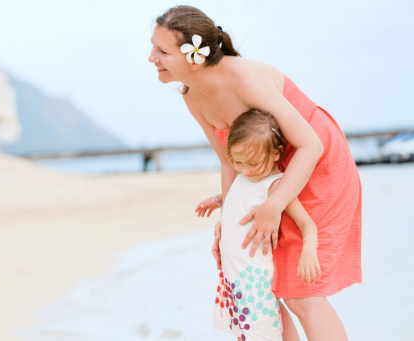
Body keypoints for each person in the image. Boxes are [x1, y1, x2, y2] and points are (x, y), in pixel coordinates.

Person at [149, 5, 361, 341]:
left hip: (316, 167)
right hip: (263, 175)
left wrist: (274, 205)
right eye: (153, 48)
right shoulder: (192, 96)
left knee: (301, 293)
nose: (151, 58)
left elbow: (311, 146)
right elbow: (229, 161)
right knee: (264, 286)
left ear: (194, 56)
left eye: (162, 51)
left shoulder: (246, 80)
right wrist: (229, 220)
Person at [207, 109, 321, 341]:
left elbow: (306, 223)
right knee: (245, 334)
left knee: (261, 334)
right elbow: (243, 196)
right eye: (238, 162)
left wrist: (309, 251)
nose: (245, 170)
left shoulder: (276, 186)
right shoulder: (246, 176)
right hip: (234, 280)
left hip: (254, 282)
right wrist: (219, 200)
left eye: (253, 163)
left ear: (276, 153)